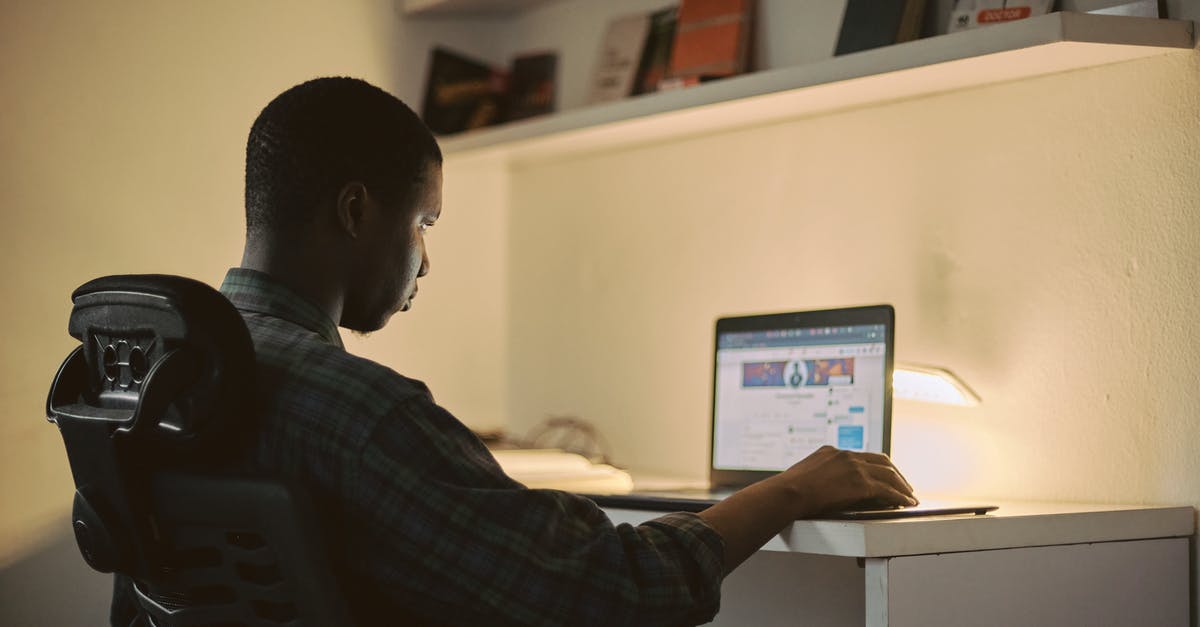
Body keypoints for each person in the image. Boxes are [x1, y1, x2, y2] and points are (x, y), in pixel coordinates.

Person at [203, 77, 916, 626]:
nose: (425, 262)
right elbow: (613, 592)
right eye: (423, 221)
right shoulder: (359, 413)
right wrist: (790, 489)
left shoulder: (166, 365)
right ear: (356, 212)